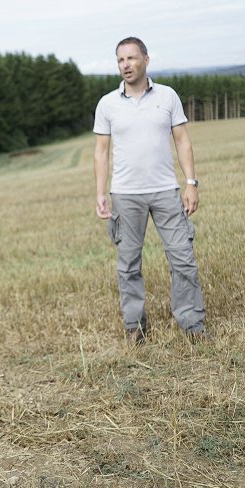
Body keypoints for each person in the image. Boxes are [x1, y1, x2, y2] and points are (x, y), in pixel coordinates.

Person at [93, 36, 205, 343]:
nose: (125, 65)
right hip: (125, 195)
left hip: (166, 192)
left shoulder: (168, 97)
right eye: (120, 60)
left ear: (146, 60)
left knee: (183, 258)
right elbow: (101, 152)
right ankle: (135, 327)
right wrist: (101, 193)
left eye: (131, 58)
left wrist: (191, 183)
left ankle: (192, 325)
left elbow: (182, 141)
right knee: (128, 265)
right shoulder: (107, 104)